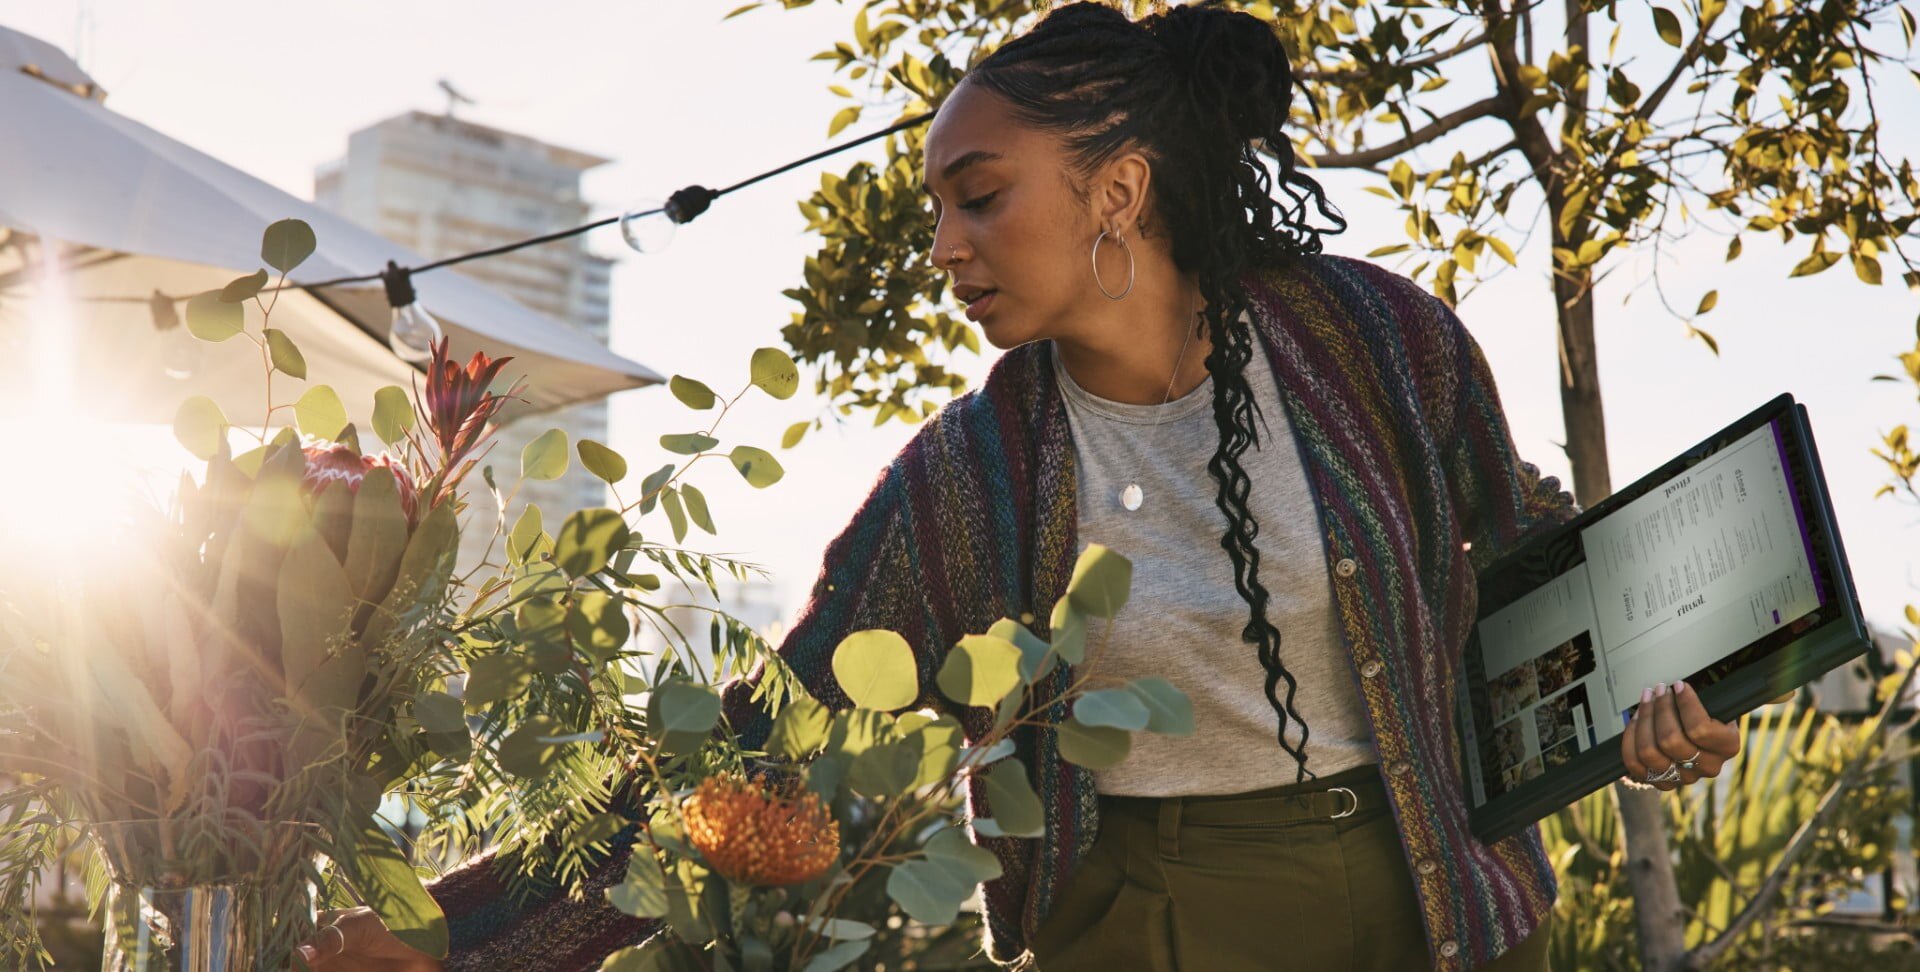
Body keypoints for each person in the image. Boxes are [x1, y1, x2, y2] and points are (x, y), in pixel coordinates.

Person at [297, 3, 1743, 970]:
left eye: (979, 196)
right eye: (938, 207)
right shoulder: (970, 481)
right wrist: (452, 937)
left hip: (1442, 908)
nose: (944, 244)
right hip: (1152, 928)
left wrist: (1660, 700)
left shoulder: (1379, 340)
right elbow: (763, 743)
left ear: (1119, 189)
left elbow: (1532, 557)